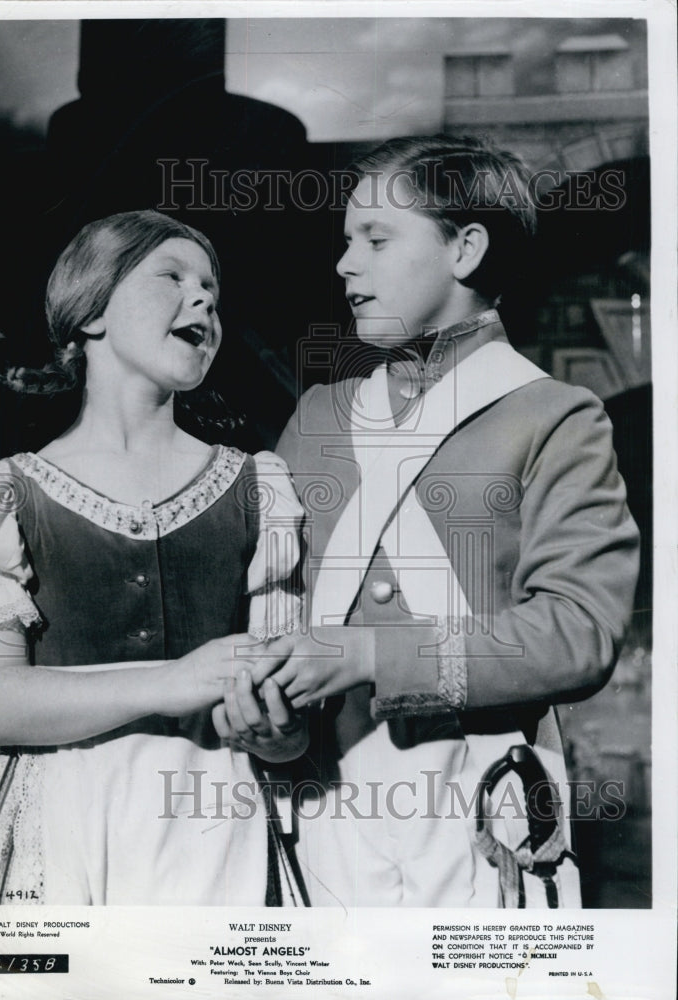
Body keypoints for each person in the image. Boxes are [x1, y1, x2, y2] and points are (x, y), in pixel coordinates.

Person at [254, 135, 640, 907]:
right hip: (328, 806)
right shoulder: (320, 416)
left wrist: (372, 651)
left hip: (483, 808)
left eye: (375, 238)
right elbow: (275, 607)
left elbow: (580, 632)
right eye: (343, 242)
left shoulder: (554, 417)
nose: (344, 265)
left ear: (464, 250)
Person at [0, 210, 307, 906]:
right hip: (54, 824)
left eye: (212, 288)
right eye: (172, 277)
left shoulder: (262, 489)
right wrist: (175, 680)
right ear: (90, 313)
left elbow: (285, 723)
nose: (205, 299)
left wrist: (275, 733)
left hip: (216, 826)